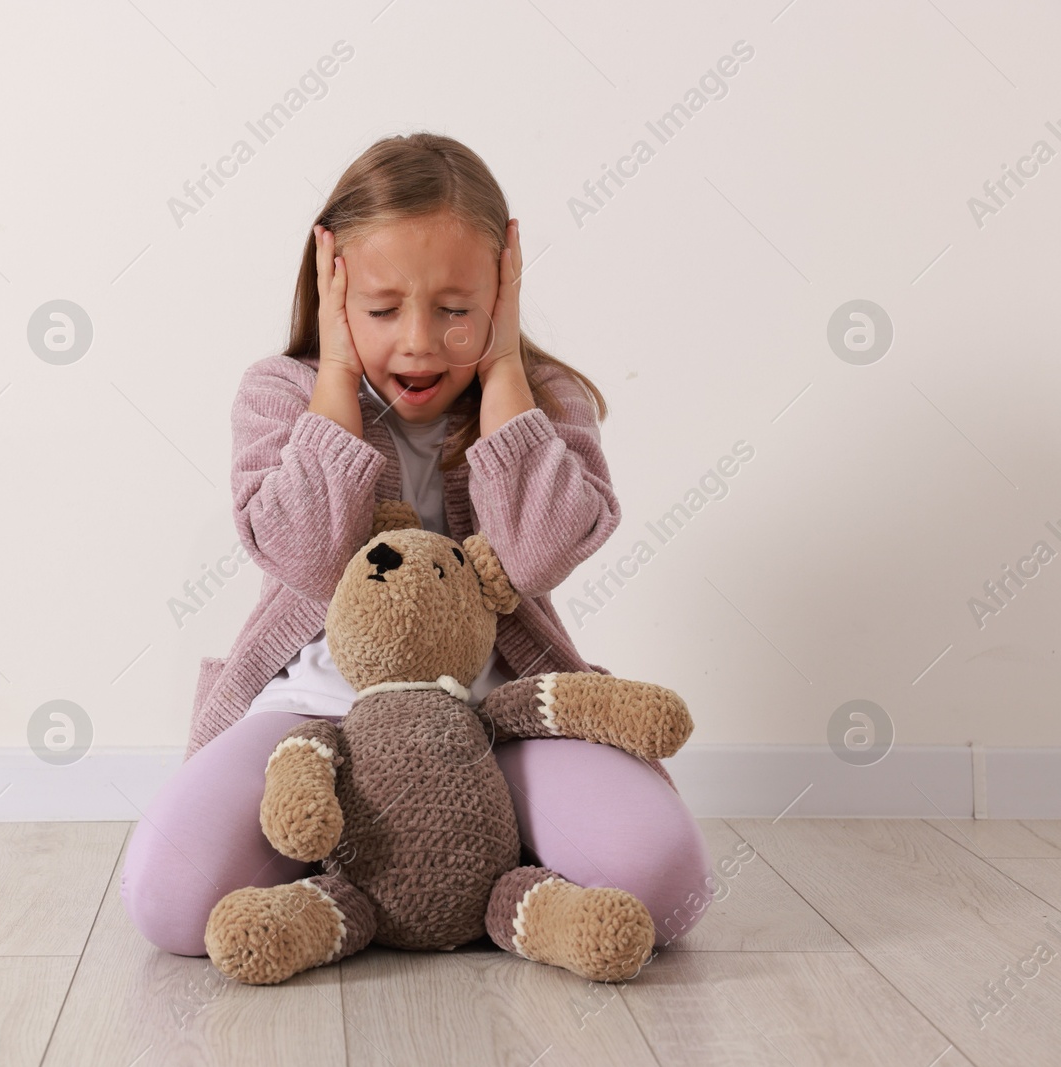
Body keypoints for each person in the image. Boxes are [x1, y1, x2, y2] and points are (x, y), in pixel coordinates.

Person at [121, 132, 712, 962]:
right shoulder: (280, 394)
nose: (420, 341)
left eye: (458, 309)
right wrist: (334, 379)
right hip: (318, 715)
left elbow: (535, 553)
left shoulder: (546, 402)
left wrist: (505, 367)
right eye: (383, 307)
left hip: (499, 717)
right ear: (333, 292)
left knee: (669, 884)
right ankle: (361, 862)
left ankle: (479, 850)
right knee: (169, 905)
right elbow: (310, 557)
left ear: (502, 292)